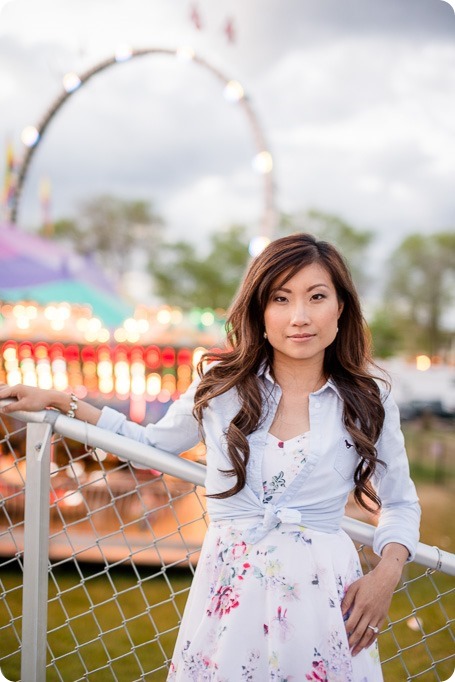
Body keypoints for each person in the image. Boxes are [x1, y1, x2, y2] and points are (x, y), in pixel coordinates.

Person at [0, 233, 420, 681]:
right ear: (260, 311)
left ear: (340, 308)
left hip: (323, 596)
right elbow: (148, 444)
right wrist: (62, 402)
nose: (300, 317)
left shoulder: (369, 400)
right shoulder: (221, 389)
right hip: (230, 590)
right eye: (281, 298)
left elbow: (400, 503)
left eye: (317, 297)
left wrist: (385, 576)